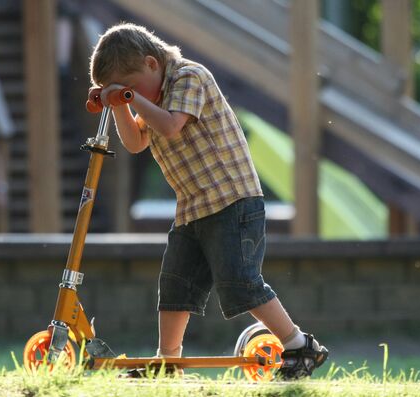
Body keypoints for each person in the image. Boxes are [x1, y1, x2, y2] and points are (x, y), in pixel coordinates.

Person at [88, 23, 328, 380]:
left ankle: (299, 345)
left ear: (152, 64)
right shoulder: (150, 96)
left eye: (132, 87)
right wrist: (120, 104)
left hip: (232, 199)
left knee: (239, 282)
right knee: (175, 284)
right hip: (192, 207)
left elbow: (171, 126)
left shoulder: (189, 77)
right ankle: (168, 362)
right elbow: (136, 143)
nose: (131, 95)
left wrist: (129, 98)